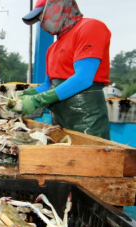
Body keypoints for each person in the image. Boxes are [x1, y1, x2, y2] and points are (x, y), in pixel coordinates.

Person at [19, 0, 111, 139]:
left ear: (58, 7)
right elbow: (47, 85)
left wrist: (37, 100)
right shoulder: (52, 49)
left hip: (87, 122)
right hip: (59, 123)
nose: (41, 23)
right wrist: (25, 96)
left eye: (42, 16)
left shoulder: (90, 27)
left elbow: (83, 78)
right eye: (39, 19)